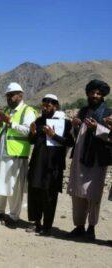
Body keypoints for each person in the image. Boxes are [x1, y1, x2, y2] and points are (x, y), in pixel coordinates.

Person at [67, 79, 112, 240]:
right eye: (92, 92)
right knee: (78, 193)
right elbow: (75, 134)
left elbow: (110, 136)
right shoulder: (82, 111)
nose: (95, 95)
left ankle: (91, 228)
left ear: (102, 96)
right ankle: (79, 226)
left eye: (98, 93)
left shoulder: (108, 113)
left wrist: (97, 128)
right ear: (87, 94)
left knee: (93, 195)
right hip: (80, 156)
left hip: (97, 160)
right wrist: (76, 125)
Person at [0, 82, 36, 227]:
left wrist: (10, 123)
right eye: (7, 95)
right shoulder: (7, 110)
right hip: (3, 152)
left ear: (20, 95)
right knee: (0, 182)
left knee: (14, 188)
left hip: (16, 153)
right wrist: (0, 123)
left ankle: (14, 216)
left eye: (12, 95)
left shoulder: (27, 110)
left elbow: (28, 131)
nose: (9, 98)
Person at [26, 94, 74, 236]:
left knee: (49, 195)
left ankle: (47, 227)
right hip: (37, 163)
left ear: (56, 106)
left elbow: (70, 142)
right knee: (34, 193)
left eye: (49, 105)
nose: (45, 107)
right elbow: (32, 141)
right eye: (44, 104)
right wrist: (33, 133)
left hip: (53, 165)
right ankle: (36, 223)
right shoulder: (39, 120)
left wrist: (54, 135)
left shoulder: (64, 123)